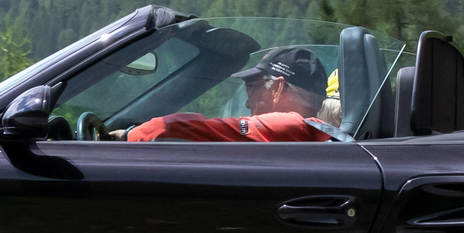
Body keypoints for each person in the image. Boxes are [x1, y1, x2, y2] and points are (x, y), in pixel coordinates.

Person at [123, 46, 342, 142]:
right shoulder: (312, 135)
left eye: (252, 88)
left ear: (276, 89)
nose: (247, 103)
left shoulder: (291, 125)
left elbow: (172, 128)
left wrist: (127, 136)